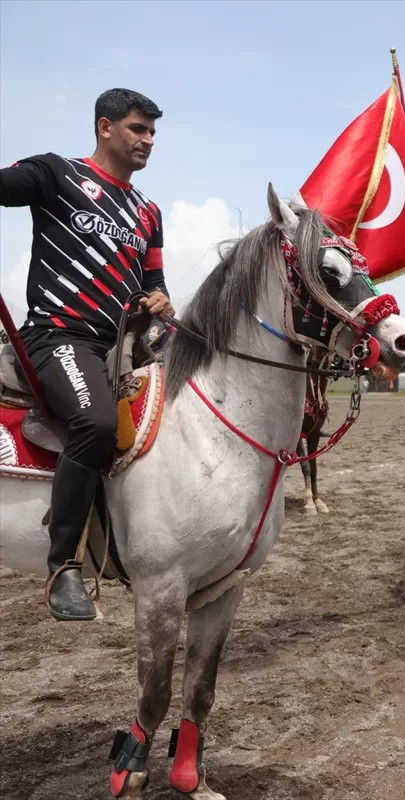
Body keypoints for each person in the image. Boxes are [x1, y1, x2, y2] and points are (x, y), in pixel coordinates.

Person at [0, 88, 173, 622]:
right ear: (105, 127)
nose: (147, 141)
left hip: (122, 346)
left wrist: (159, 301)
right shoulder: (56, 174)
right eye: (137, 129)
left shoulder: (148, 211)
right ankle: (63, 568)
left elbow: (155, 282)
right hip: (57, 337)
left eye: (151, 133)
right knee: (97, 424)